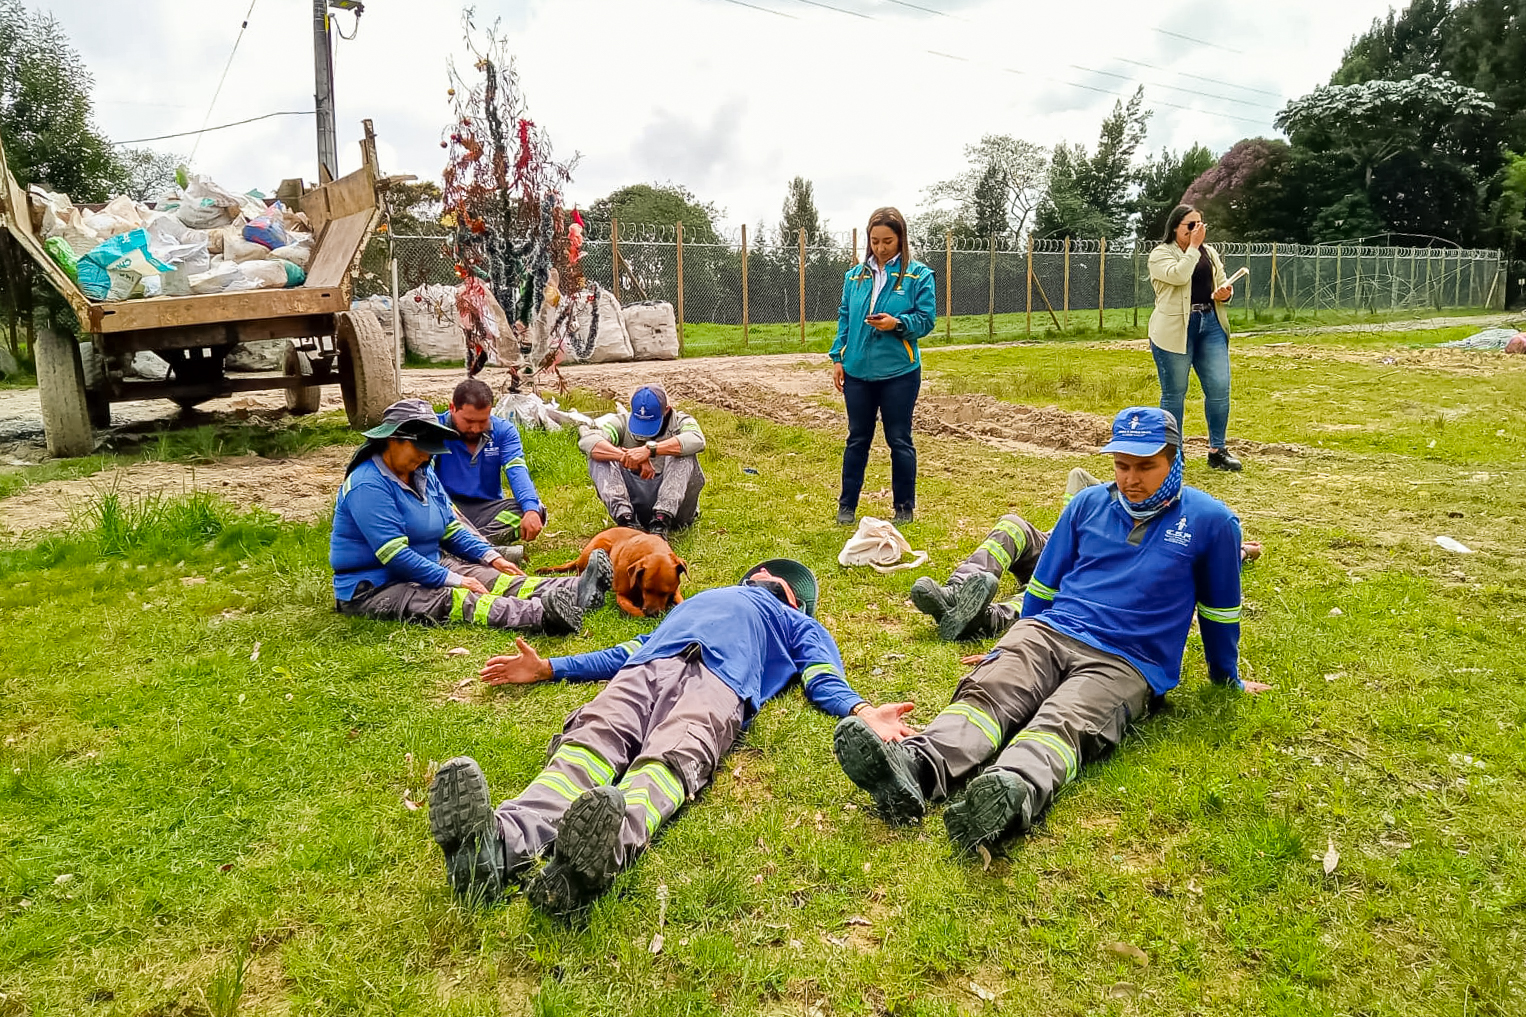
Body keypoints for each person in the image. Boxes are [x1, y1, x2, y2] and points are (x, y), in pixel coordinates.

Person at [834, 407, 1272, 855]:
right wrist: (1012, 643)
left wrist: (1227, 678)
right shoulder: (1087, 505)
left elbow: (1220, 613)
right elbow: (1042, 587)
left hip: (1126, 661)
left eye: (1145, 467)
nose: (1130, 479)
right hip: (1048, 631)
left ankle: (1010, 794)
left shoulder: (1212, 521)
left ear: (1175, 459)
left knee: (1062, 722)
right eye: (1121, 465)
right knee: (989, 694)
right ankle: (916, 768)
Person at [427, 559, 916, 917]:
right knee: (589, 742)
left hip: (719, 685)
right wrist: (550, 667)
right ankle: (492, 847)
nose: (766, 574)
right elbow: (630, 648)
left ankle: (590, 863)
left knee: (669, 762)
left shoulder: (797, 622)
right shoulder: (701, 600)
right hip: (644, 669)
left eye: (778, 577)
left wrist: (863, 710)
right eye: (762, 571)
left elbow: (821, 674)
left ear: (794, 598)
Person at [329, 399, 610, 634]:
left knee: (495, 578)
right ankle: (541, 615)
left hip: (430, 561)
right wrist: (453, 579)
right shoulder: (368, 484)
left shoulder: (422, 472)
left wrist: (491, 556)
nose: (426, 457)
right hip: (378, 585)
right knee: (457, 598)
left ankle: (577, 589)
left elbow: (451, 529)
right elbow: (394, 555)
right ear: (393, 440)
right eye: (420, 449)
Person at [911, 468, 1264, 642]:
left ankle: (982, 619)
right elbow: (1078, 482)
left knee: (1049, 594)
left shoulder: (1185, 527)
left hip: (1086, 568)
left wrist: (1241, 551)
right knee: (1012, 526)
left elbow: (1205, 563)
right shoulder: (1097, 493)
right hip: (1056, 545)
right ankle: (956, 592)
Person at [830, 206, 936, 527]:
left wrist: (897, 324)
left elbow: (926, 320)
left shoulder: (919, 276)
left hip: (899, 373)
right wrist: (838, 357)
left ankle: (904, 508)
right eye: (874, 241)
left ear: (901, 238)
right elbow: (845, 317)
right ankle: (847, 506)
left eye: (887, 241)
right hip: (857, 372)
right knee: (857, 438)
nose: (880, 248)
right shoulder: (854, 277)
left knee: (899, 439)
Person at [1148, 204, 1241, 472]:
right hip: (1175, 328)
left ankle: (1217, 450)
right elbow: (1178, 276)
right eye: (1190, 225)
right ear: (1175, 227)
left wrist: (1225, 293)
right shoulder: (1160, 254)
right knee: (1174, 393)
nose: (1197, 230)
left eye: (1200, 224)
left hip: (1210, 323)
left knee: (1219, 388)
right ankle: (1173, 453)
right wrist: (1192, 248)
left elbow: (1221, 281)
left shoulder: (1209, 253)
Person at [434, 379, 547, 554]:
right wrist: (447, 509)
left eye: (482, 421)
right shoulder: (434, 429)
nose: (475, 428)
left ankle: (468, 548)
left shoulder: (504, 431)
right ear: (452, 408)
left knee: (532, 509)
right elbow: (423, 478)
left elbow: (517, 472)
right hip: (444, 508)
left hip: (486, 510)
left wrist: (530, 510)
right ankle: (483, 550)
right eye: (469, 421)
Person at [578, 385, 705, 537]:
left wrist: (650, 450)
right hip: (637, 504)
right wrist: (626, 457)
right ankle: (626, 520)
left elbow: (696, 439)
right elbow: (588, 441)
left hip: (679, 510)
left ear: (667, 410)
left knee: (684, 452)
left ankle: (661, 520)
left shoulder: (681, 421)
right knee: (599, 455)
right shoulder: (622, 422)